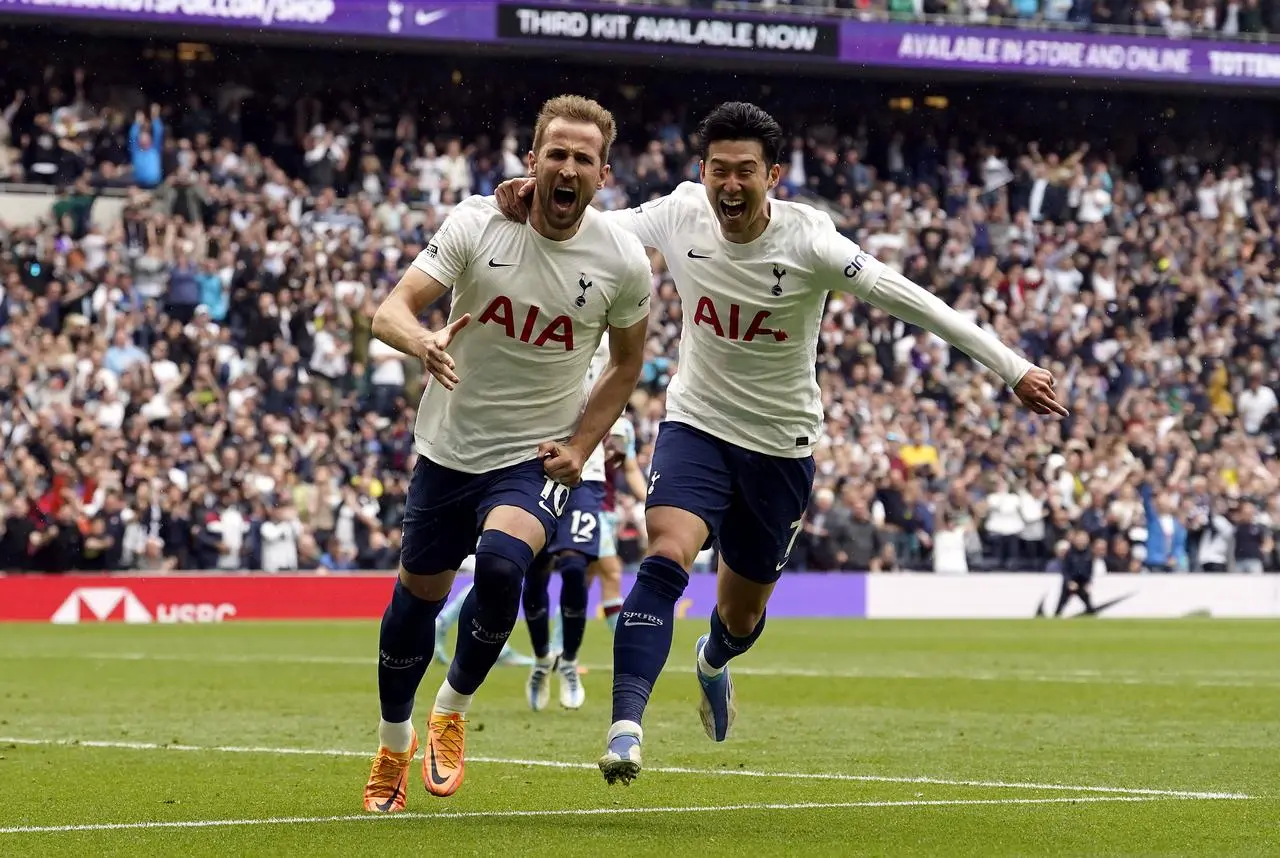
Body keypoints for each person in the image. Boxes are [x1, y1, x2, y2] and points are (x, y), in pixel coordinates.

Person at [496, 101, 1065, 786]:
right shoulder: (680, 214)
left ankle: (713, 660)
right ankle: (626, 729)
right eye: (719, 172)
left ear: (773, 175)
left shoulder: (812, 243)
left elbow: (913, 300)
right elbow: (589, 226)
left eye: (746, 173)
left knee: (741, 614)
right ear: (701, 171)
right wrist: (523, 202)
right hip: (697, 424)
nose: (730, 187)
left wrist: (1013, 369)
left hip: (780, 445)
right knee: (666, 553)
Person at [361, 94, 652, 812]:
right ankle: (393, 743)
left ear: (603, 175)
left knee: (500, 565)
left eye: (583, 158)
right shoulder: (476, 222)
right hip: (447, 448)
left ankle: (451, 710)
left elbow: (626, 365)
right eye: (556, 153)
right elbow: (388, 310)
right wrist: (420, 341)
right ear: (533, 161)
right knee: (412, 607)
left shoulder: (620, 260)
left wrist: (583, 446)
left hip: (533, 455)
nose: (568, 167)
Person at [522, 334, 615, 712]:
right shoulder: (538, 324)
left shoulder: (608, 339)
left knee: (576, 566)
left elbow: (615, 387)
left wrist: (619, 435)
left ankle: (570, 661)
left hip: (584, 469)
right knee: (537, 568)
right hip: (533, 466)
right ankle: (543, 658)